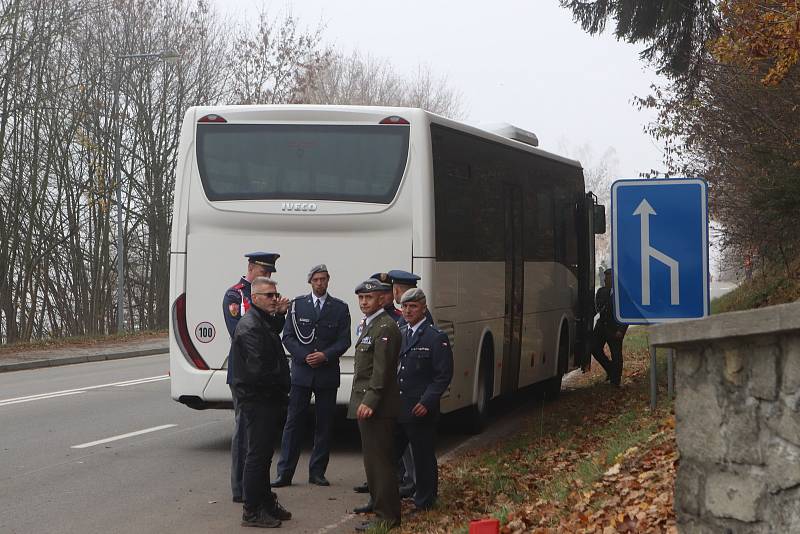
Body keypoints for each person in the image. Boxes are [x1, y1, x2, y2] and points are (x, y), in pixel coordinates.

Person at [273, 264, 351, 488]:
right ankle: (284, 473)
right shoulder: (297, 306)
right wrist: (305, 356)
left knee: (324, 425)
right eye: (316, 279)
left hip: (326, 373)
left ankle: (317, 472)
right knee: (293, 424)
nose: (320, 283)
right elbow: (287, 337)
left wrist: (325, 355)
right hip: (302, 373)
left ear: (328, 280)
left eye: (324, 279)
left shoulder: (339, 308)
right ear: (310, 282)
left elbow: (344, 340)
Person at [229, 276, 292, 528]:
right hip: (258, 399)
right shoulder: (250, 326)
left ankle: (265, 501)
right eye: (269, 296)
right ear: (255, 298)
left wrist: (280, 313)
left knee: (265, 454)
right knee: (256, 456)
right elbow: (258, 370)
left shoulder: (261, 319)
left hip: (267, 398)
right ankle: (251, 510)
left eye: (276, 294)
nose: (275, 299)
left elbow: (274, 329)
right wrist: (282, 385)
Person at [222, 251, 282, 504]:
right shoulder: (235, 294)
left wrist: (279, 313)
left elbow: (273, 332)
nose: (267, 275)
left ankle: (256, 486)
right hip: (245, 374)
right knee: (244, 433)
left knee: (260, 438)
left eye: (269, 272)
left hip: (262, 374)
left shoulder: (266, 295)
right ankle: (240, 488)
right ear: (251, 267)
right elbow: (240, 332)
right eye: (263, 270)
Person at [349, 279, 402, 532]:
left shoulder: (385, 327)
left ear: (382, 299)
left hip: (378, 407)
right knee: (373, 462)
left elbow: (382, 372)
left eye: (368, 298)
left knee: (381, 463)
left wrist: (370, 401)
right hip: (368, 404)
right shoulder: (370, 325)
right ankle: (381, 511)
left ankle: (387, 516)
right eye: (360, 298)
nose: (363, 302)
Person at [395, 288, 453, 512]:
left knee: (423, 456)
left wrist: (427, 402)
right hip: (399, 407)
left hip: (420, 408)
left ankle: (425, 500)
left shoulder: (435, 337)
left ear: (423, 308)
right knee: (390, 455)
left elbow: (443, 376)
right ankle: (388, 497)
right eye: (405, 307)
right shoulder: (400, 333)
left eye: (413, 306)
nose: (408, 311)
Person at [591, 268, 628, 386]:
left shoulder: (622, 294)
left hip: (615, 328)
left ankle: (615, 382)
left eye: (608, 278)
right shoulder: (601, 291)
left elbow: (626, 314)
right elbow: (598, 307)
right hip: (601, 327)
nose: (605, 280)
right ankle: (611, 369)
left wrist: (621, 330)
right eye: (605, 278)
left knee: (616, 354)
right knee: (594, 348)